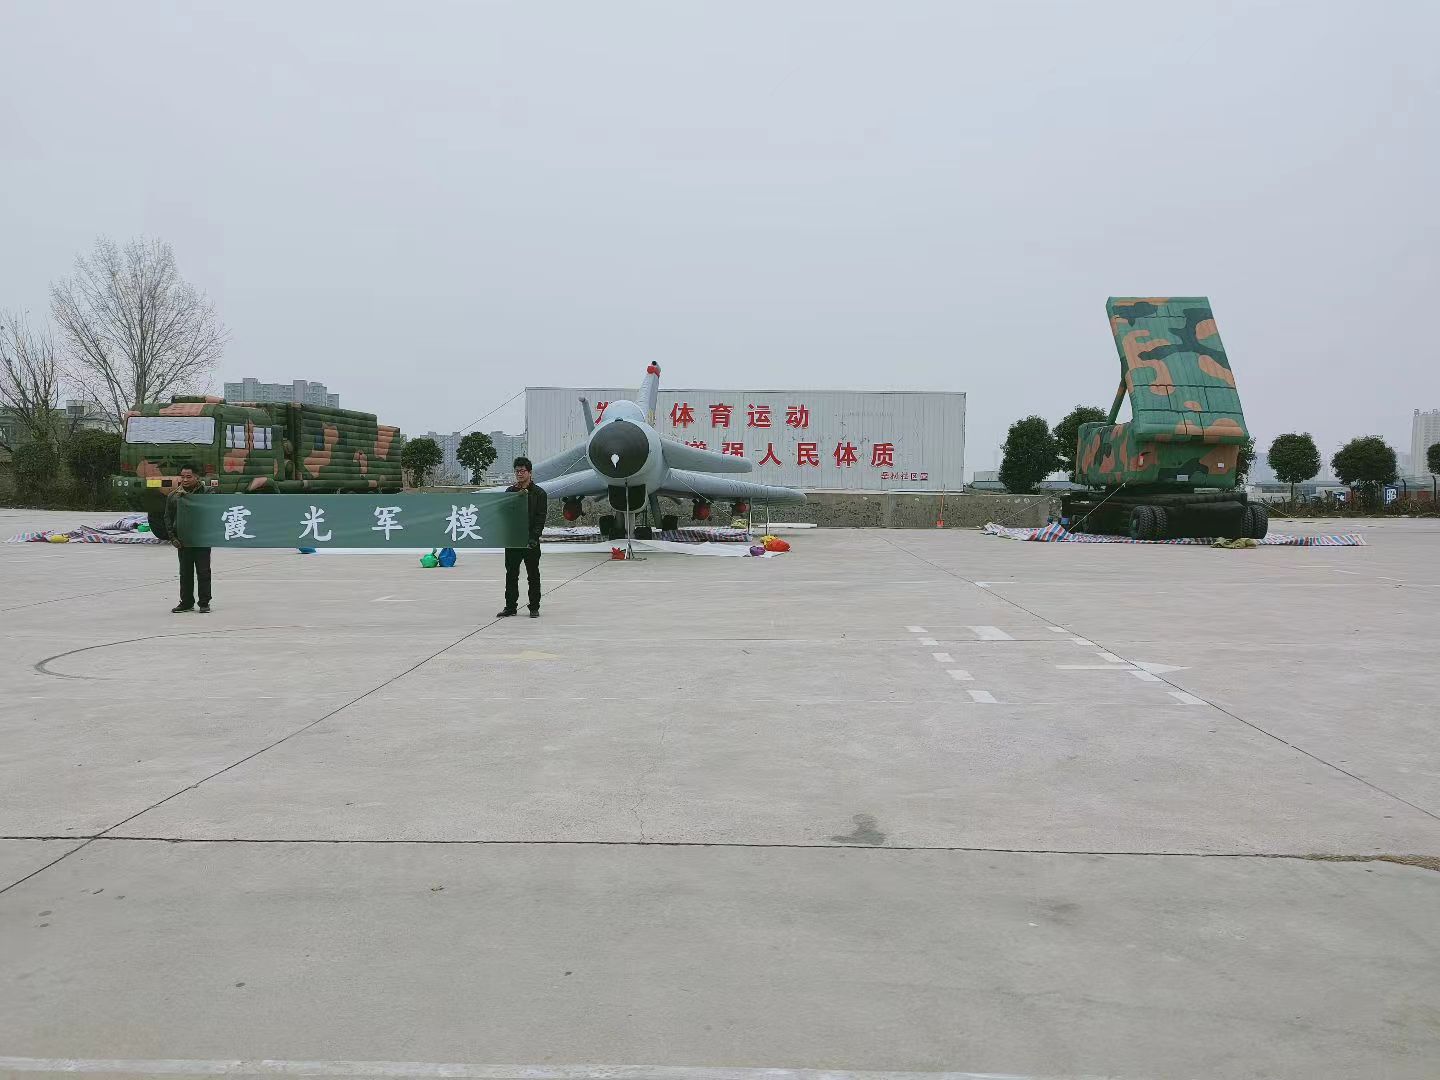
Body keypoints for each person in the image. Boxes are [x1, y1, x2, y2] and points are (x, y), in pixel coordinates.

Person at [497, 456, 547, 618]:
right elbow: (503, 513)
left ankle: (534, 607)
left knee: (533, 575)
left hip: (531, 541)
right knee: (511, 574)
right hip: (513, 540)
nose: (519, 474)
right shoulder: (510, 492)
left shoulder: (539, 493)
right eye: (517, 471)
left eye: (522, 471)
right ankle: (510, 607)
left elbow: (540, 518)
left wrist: (534, 537)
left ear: (529, 472)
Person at [165, 464, 212, 613]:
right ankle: (186, 602)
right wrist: (173, 537)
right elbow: (168, 518)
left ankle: (204, 602)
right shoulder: (174, 496)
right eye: (182, 477)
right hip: (183, 542)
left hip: (202, 540)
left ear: (197, 477)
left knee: (203, 572)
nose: (185, 480)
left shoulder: (208, 493)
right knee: (185, 573)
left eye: (189, 477)